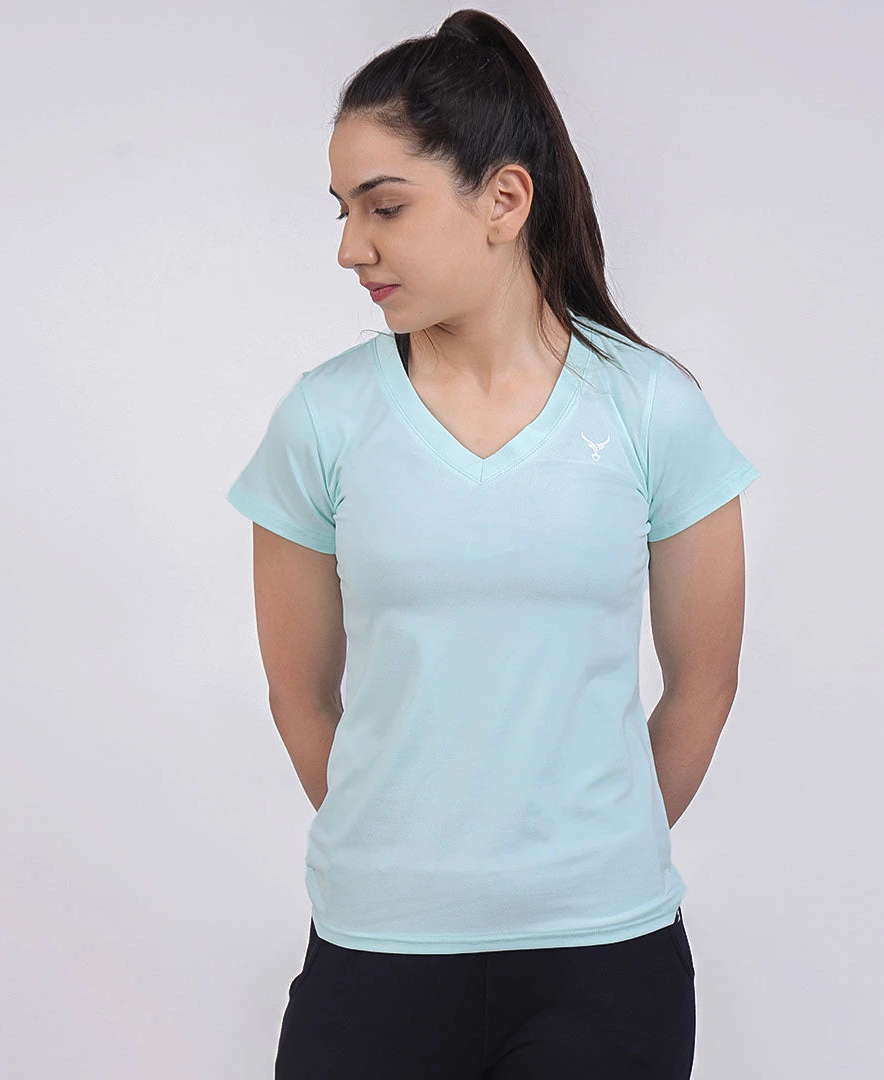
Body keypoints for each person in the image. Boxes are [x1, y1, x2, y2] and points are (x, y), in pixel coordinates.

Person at [226, 9, 759, 1078]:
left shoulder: (652, 410)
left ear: (504, 201)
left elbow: (704, 684)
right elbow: (300, 697)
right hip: (376, 948)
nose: (350, 247)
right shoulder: (322, 420)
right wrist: (410, 854)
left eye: (384, 206)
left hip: (605, 960)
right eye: (343, 210)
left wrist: (588, 857)